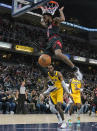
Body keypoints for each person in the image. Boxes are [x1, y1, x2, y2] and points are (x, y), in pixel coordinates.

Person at [40, 6, 82, 80]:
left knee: (58, 54)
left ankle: (75, 69)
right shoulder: (48, 25)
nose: (44, 19)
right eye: (43, 18)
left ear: (49, 16)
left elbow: (63, 19)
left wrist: (60, 11)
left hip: (56, 39)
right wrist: (42, 11)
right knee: (41, 61)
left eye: (45, 17)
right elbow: (41, 22)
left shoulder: (54, 20)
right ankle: (49, 82)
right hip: (50, 42)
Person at [40, 64, 70, 129]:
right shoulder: (47, 76)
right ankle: (58, 116)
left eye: (51, 68)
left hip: (59, 91)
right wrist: (42, 94)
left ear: (53, 68)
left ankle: (64, 122)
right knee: (52, 109)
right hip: (52, 92)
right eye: (48, 68)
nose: (50, 69)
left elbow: (63, 84)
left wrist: (67, 92)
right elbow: (45, 86)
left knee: (59, 106)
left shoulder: (58, 74)